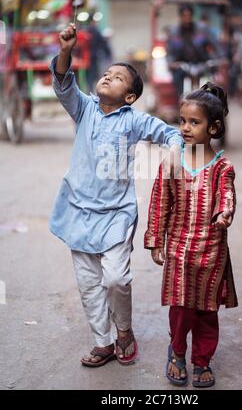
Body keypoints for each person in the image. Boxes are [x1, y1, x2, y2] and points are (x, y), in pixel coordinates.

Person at [49, 23, 182, 367]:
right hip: (78, 210)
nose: (107, 77)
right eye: (106, 73)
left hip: (117, 214)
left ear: (130, 97)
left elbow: (168, 133)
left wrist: (174, 150)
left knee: (116, 278)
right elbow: (64, 83)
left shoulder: (134, 120)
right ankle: (103, 342)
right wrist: (66, 50)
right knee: (89, 284)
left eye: (118, 78)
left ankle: (124, 331)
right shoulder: (84, 108)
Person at [144, 82, 237, 387]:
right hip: (179, 249)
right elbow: (160, 201)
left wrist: (224, 213)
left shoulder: (222, 166)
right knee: (181, 308)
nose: (185, 128)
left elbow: (226, 195)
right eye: (182, 120)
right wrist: (156, 239)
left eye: (194, 122)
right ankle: (178, 352)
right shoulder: (172, 161)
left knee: (206, 310)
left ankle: (202, 360)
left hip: (211, 250)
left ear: (214, 127)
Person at [167, 4, 221, 99]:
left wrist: (220, 58)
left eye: (189, 16)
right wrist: (171, 63)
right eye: (184, 16)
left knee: (213, 78)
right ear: (180, 16)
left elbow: (215, 44)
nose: (187, 18)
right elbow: (170, 52)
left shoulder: (202, 29)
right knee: (176, 76)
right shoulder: (174, 32)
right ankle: (181, 100)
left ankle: (211, 101)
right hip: (182, 64)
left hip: (202, 63)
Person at [86, 18, 112, 93]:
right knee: (94, 75)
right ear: (92, 22)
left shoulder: (85, 31)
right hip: (94, 57)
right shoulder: (96, 31)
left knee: (88, 76)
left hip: (85, 58)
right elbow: (103, 43)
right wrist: (107, 54)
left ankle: (89, 91)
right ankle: (95, 91)